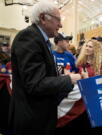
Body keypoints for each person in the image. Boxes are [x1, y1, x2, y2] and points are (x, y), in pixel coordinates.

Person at [8, 1, 81, 135]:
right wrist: (68, 79)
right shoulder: (29, 37)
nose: (61, 25)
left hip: (38, 118)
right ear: (43, 18)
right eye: (58, 19)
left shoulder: (40, 40)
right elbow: (35, 84)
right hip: (31, 121)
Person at [55, 39, 102, 135]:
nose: (87, 48)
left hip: (92, 103)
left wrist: (87, 79)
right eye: (86, 46)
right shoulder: (80, 62)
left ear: (95, 50)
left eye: (90, 47)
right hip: (79, 101)